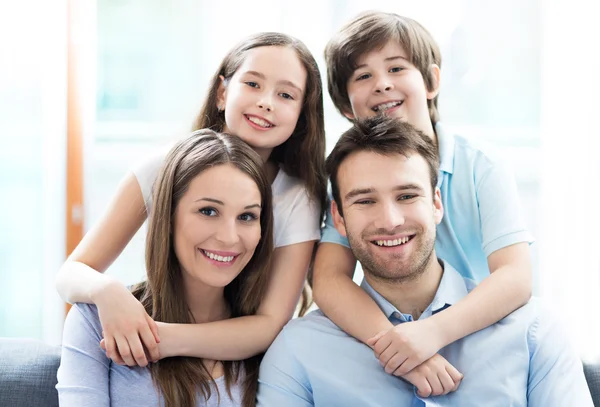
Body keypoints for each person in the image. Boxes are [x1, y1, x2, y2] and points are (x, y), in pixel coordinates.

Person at [257, 116, 593, 406]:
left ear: (436, 204)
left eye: (406, 196)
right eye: (365, 201)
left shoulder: (534, 334)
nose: (390, 220)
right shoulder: (297, 351)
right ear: (339, 219)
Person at [55, 32, 326, 367]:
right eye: (253, 84)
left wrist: (158, 338)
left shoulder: (298, 197)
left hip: (242, 366)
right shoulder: (162, 168)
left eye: (285, 94)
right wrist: (107, 291)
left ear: (303, 114)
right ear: (222, 93)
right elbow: (72, 271)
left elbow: (268, 324)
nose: (266, 102)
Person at [311, 10, 533, 393]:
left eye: (396, 68)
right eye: (363, 76)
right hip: (395, 340)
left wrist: (432, 333)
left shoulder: (482, 166)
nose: (382, 84)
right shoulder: (348, 182)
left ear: (431, 81)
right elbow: (328, 280)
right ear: (347, 108)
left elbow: (515, 277)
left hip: (484, 338)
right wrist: (403, 346)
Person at [58, 130, 274, 406]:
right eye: (208, 211)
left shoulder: (268, 344)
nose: (229, 237)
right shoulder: (94, 319)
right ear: (168, 217)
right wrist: (106, 290)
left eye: (247, 216)